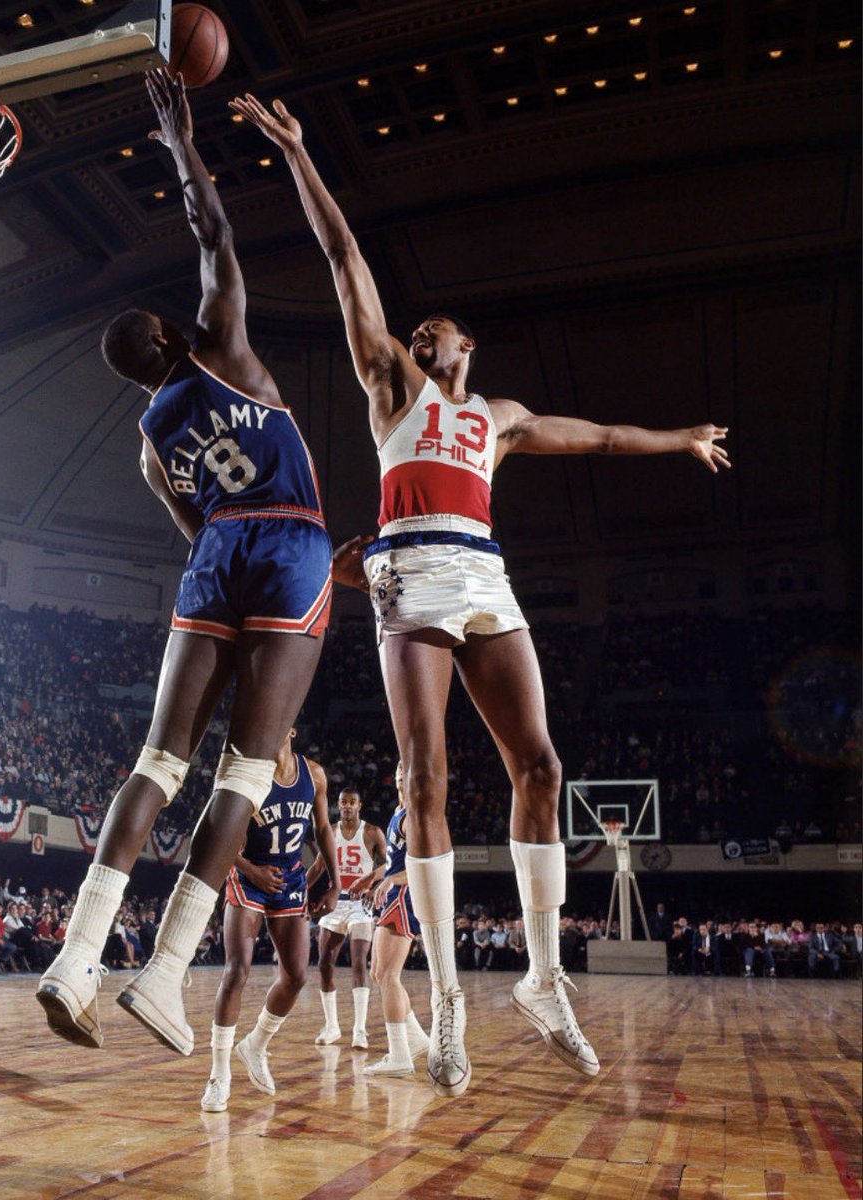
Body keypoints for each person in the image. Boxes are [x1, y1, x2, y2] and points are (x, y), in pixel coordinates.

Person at [232, 90, 730, 1095]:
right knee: (424, 778)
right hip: (411, 573)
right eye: (416, 328)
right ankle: (451, 1001)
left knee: (540, 766)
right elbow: (343, 259)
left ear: (468, 348)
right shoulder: (390, 386)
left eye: (439, 328)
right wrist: (297, 153)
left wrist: (679, 438)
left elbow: (597, 436)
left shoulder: (498, 419)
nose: (423, 330)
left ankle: (542, 981)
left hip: (483, 574)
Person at [37, 69, 332, 1058]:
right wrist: (179, 141)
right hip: (285, 538)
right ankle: (163, 975)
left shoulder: (148, 441)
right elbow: (216, 233)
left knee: (158, 762)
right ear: (168, 334)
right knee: (244, 772)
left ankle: (77, 958)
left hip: (213, 555)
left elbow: (190, 525)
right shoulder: (222, 351)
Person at [202, 730, 338, 1112]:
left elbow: (323, 830)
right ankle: (219, 1075)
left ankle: (256, 1044)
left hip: (290, 878)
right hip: (249, 876)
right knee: (237, 970)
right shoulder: (248, 773)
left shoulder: (314, 774)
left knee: (296, 976)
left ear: (292, 729)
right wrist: (250, 870)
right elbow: (217, 833)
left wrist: (335, 884)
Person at [363, 764, 430, 1077]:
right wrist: (373, 876)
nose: (402, 770)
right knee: (378, 973)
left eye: (408, 767)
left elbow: (421, 866)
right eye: (400, 766)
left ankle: (400, 1055)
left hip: (404, 896)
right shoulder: (397, 811)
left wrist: (391, 881)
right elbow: (394, 861)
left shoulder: (412, 816)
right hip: (394, 894)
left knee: (389, 975)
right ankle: (414, 1038)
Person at [310, 788, 386, 1049]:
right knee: (324, 963)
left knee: (359, 963)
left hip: (360, 905)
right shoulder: (330, 832)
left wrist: (374, 885)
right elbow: (318, 867)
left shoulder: (372, 832)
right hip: (334, 903)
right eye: (343, 802)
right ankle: (332, 1026)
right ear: (338, 805)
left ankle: (360, 1030)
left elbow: (388, 865)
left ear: (360, 805)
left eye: (352, 802)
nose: (347, 806)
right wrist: (297, 892)